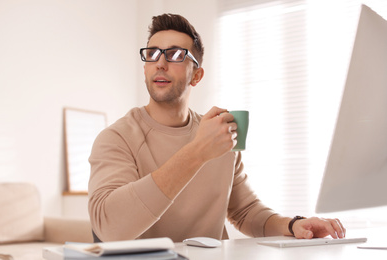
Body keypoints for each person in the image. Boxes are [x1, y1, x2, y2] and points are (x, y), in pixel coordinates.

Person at [88, 13, 346, 243]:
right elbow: (109, 228)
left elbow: (245, 212)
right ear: (145, 67)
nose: (160, 63)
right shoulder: (116, 138)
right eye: (152, 53)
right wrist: (198, 152)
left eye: (176, 55)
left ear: (197, 76)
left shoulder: (218, 134)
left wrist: (293, 225)